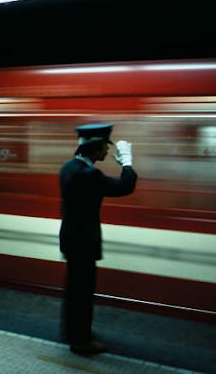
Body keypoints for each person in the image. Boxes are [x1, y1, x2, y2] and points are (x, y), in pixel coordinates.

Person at [59, 123, 137, 356]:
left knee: (75, 290)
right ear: (94, 148)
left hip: (71, 238)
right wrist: (127, 161)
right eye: (104, 147)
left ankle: (74, 333)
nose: (106, 152)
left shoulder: (68, 168)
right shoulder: (89, 175)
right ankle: (81, 341)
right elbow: (124, 186)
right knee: (83, 292)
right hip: (84, 242)